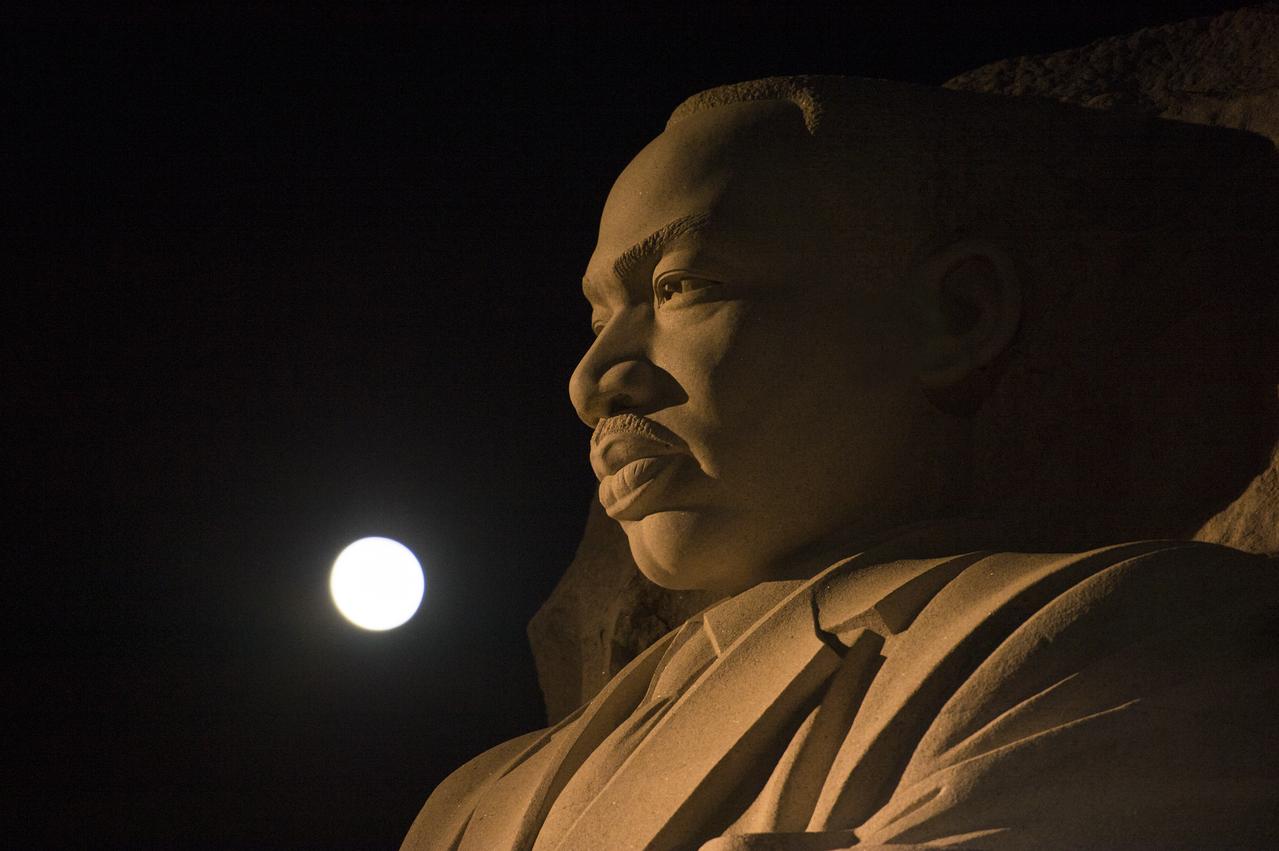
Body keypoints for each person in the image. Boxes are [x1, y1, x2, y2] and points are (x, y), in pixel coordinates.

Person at [402, 76, 1279, 850]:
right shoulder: (473, 804)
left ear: (956, 314)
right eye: (598, 320)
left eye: (682, 285)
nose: (592, 382)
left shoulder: (1141, 639)